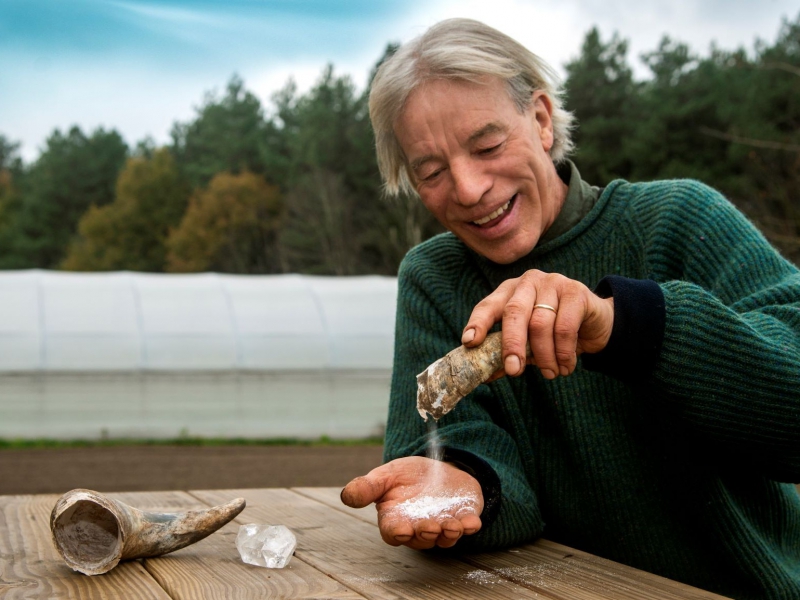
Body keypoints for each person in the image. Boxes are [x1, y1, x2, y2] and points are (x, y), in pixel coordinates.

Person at [340, 17, 800, 600]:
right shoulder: (434, 277)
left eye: (487, 146)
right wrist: (467, 480)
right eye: (430, 172)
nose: (468, 188)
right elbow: (460, 448)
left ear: (540, 118)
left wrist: (623, 325)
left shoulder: (680, 220)